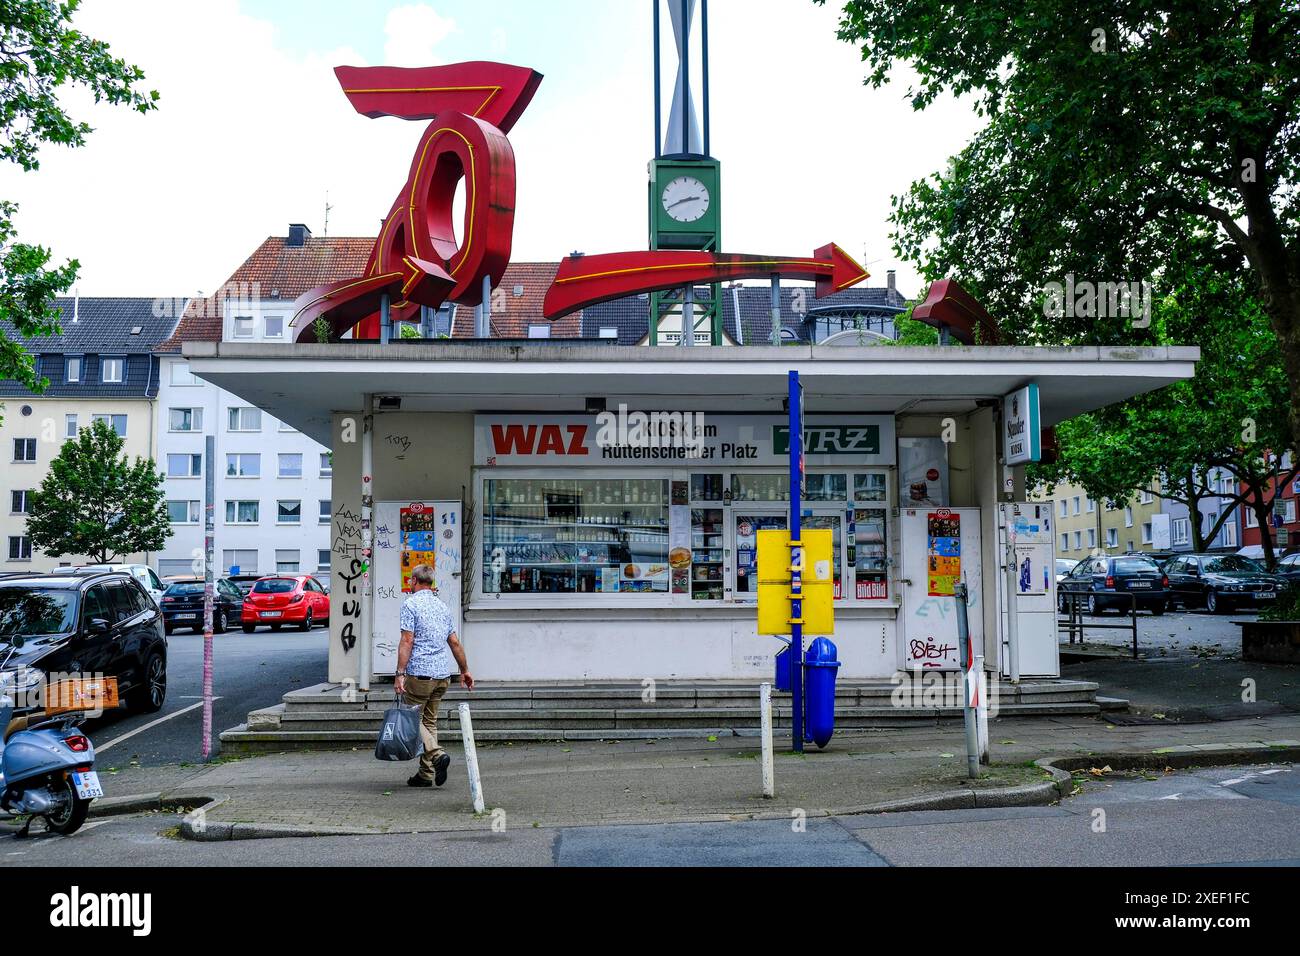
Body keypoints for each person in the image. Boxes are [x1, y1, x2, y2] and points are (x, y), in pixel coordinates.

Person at [394, 564, 473, 788]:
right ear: (431, 583)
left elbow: (407, 640)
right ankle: (426, 774)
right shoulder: (442, 607)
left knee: (412, 718)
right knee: (429, 721)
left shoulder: (410, 604)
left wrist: (400, 673)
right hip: (442, 675)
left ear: (413, 581)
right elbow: (454, 642)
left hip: (420, 674)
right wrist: (465, 670)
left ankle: (437, 755)